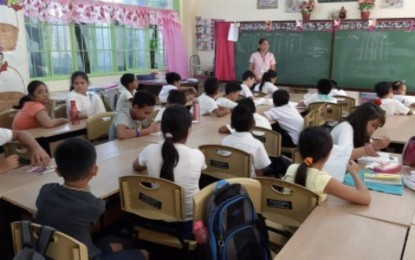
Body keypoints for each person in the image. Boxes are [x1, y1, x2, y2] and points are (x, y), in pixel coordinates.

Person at [35, 139, 148, 260]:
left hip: (53, 254)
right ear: (95, 170)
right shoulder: (94, 206)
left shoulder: (45, 191)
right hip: (83, 256)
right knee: (144, 253)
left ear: (57, 171)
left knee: (117, 246)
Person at [133, 105, 206, 238]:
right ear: (189, 130)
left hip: (156, 216)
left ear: (162, 128)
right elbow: (201, 170)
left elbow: (136, 166)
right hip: (188, 223)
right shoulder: (197, 155)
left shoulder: (150, 150)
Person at [284, 127, 371, 205]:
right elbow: (365, 198)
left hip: (287, 219)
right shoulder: (323, 180)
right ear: (329, 154)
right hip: (311, 221)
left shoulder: (291, 168)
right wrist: (354, 173)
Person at [220, 105, 271, 177]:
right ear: (254, 124)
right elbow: (260, 170)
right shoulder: (257, 144)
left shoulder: (224, 141)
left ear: (231, 125)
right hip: (249, 184)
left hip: (228, 181)